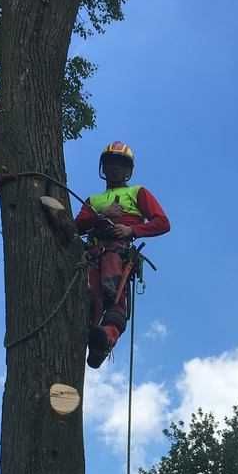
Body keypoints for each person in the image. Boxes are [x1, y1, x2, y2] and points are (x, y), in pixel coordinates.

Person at [74, 141, 170, 368]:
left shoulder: (138, 192)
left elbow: (162, 222)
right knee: (90, 298)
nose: (115, 168)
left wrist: (132, 229)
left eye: (120, 164)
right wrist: (101, 214)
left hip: (117, 252)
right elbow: (76, 227)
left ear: (128, 170)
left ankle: (104, 339)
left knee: (114, 298)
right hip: (92, 252)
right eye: (111, 163)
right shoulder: (93, 200)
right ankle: (88, 335)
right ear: (103, 168)